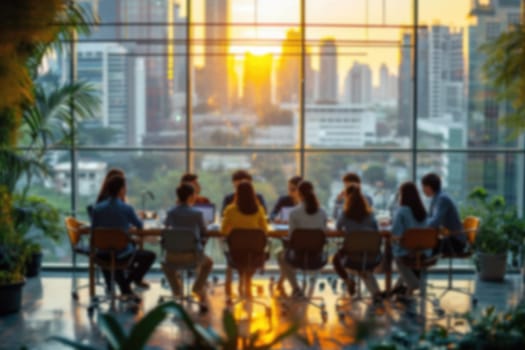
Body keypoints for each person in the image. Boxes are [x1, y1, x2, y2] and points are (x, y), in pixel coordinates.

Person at [91, 175, 156, 298]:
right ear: (121, 190)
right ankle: (126, 284)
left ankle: (124, 286)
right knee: (150, 256)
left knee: (115, 257)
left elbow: (94, 230)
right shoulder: (126, 208)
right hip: (122, 254)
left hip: (101, 254)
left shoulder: (97, 208)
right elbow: (140, 226)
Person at [162, 183, 213, 301]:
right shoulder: (197, 213)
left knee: (166, 264)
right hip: (192, 257)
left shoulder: (171, 212)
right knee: (208, 263)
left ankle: (177, 291)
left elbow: (166, 228)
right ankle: (197, 288)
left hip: (172, 256)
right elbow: (204, 231)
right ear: (191, 196)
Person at [277, 181, 327, 297]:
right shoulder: (322, 212)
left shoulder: (294, 212)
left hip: (298, 256)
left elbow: (291, 237)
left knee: (280, 255)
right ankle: (298, 287)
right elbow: (323, 233)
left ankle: (296, 288)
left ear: (299, 194)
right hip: (316, 256)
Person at [332, 185, 381, 299]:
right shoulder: (370, 214)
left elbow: (338, 227)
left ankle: (348, 280)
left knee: (336, 259)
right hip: (370, 255)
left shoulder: (345, 214)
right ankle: (376, 294)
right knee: (364, 264)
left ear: (347, 198)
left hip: (351, 255)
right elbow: (376, 231)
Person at [221, 181, 268, 296]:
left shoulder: (230, 210)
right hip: (256, 254)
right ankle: (247, 282)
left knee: (240, 253)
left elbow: (223, 231)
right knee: (250, 255)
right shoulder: (259, 210)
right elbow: (265, 231)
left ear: (237, 194)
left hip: (236, 254)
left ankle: (243, 281)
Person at [391, 182, 428, 296]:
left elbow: (395, 233)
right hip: (423, 251)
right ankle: (397, 289)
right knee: (401, 253)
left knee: (394, 253)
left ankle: (412, 284)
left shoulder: (402, 210)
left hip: (408, 252)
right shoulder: (422, 210)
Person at [421, 173, 464, 254]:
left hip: (455, 242)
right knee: (421, 244)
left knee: (421, 245)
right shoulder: (437, 197)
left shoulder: (442, 199)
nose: (422, 190)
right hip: (449, 238)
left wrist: (420, 224)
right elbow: (429, 218)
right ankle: (420, 266)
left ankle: (419, 266)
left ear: (429, 187)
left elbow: (435, 222)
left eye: (423, 187)